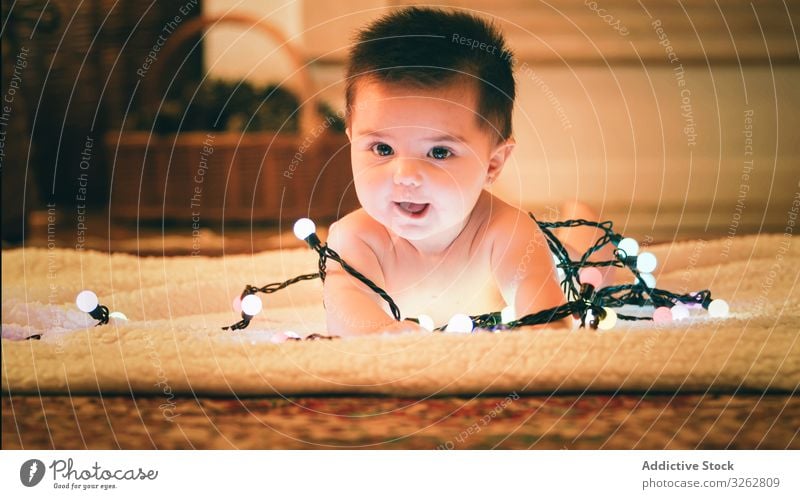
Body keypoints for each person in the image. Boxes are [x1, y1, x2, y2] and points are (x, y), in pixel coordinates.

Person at [323, 7, 613, 335]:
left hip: (565, 268)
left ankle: (584, 224)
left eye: (439, 152)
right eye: (383, 149)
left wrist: (542, 324)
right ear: (351, 141)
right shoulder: (355, 237)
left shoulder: (507, 232)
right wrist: (382, 332)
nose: (405, 174)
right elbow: (344, 307)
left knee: (591, 268)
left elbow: (545, 321)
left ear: (494, 163)